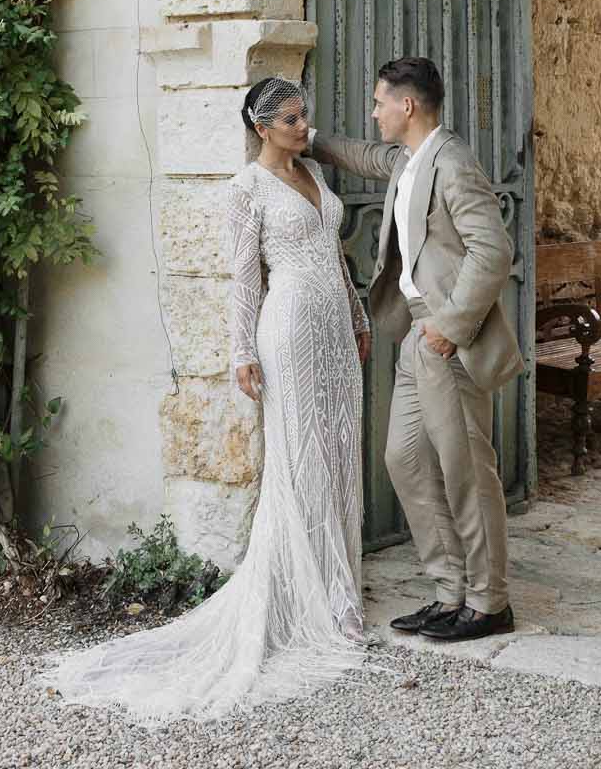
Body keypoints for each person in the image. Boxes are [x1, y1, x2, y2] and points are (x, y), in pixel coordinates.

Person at [36, 75, 371, 724]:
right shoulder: (246, 190)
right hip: (293, 327)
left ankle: (339, 583)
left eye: (305, 116)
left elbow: (333, 256)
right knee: (300, 457)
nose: (306, 130)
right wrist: (240, 352)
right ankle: (305, 596)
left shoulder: (313, 176)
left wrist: (358, 318)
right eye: (293, 121)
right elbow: (244, 279)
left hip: (334, 327)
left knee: (339, 450)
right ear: (261, 128)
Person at [309, 55, 521, 643]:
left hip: (446, 339)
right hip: (415, 335)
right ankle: (449, 590)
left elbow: (493, 251)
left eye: (379, 102)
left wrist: (450, 327)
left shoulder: (452, 164)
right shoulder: (409, 157)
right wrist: (310, 140)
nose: (374, 111)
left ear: (407, 106)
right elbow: (365, 156)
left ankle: (488, 601)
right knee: (402, 458)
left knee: (467, 471)